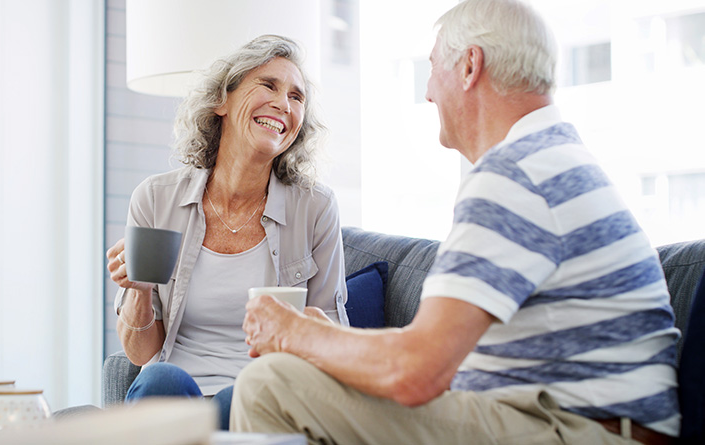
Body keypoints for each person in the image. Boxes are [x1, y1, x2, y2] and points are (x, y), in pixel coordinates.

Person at [232, 1, 680, 444]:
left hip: (581, 431)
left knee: (270, 384)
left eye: (432, 67)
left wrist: (295, 332)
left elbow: (416, 371)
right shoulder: (549, 158)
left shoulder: (516, 174)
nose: (428, 92)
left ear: (469, 66)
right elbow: (438, 353)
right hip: (573, 421)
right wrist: (326, 338)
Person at [105, 35, 349, 431]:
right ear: (222, 100)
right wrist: (140, 290)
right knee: (160, 379)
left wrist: (307, 329)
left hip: (264, 394)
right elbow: (139, 354)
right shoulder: (156, 199)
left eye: (296, 97)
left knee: (242, 396)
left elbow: (335, 340)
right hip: (175, 389)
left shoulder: (315, 208)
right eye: (268, 85)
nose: (284, 104)